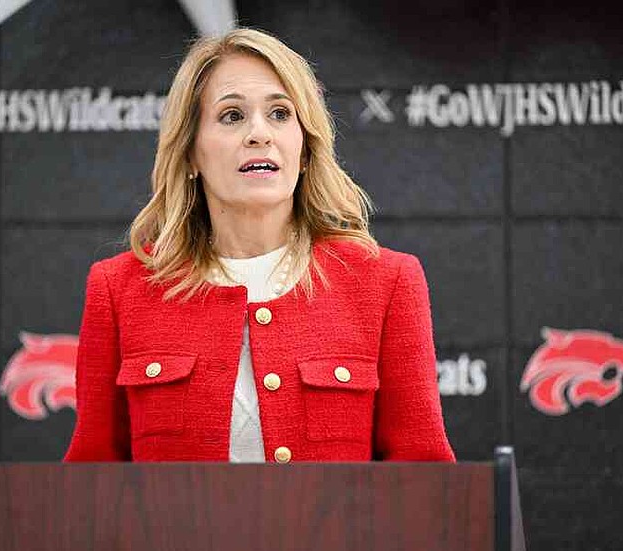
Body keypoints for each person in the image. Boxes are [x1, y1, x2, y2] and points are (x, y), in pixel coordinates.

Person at [64, 28, 454, 464]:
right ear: (192, 152)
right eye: (231, 116)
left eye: (281, 114)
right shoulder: (120, 288)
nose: (259, 133)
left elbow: (426, 485)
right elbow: (91, 487)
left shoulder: (385, 282)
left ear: (304, 149)